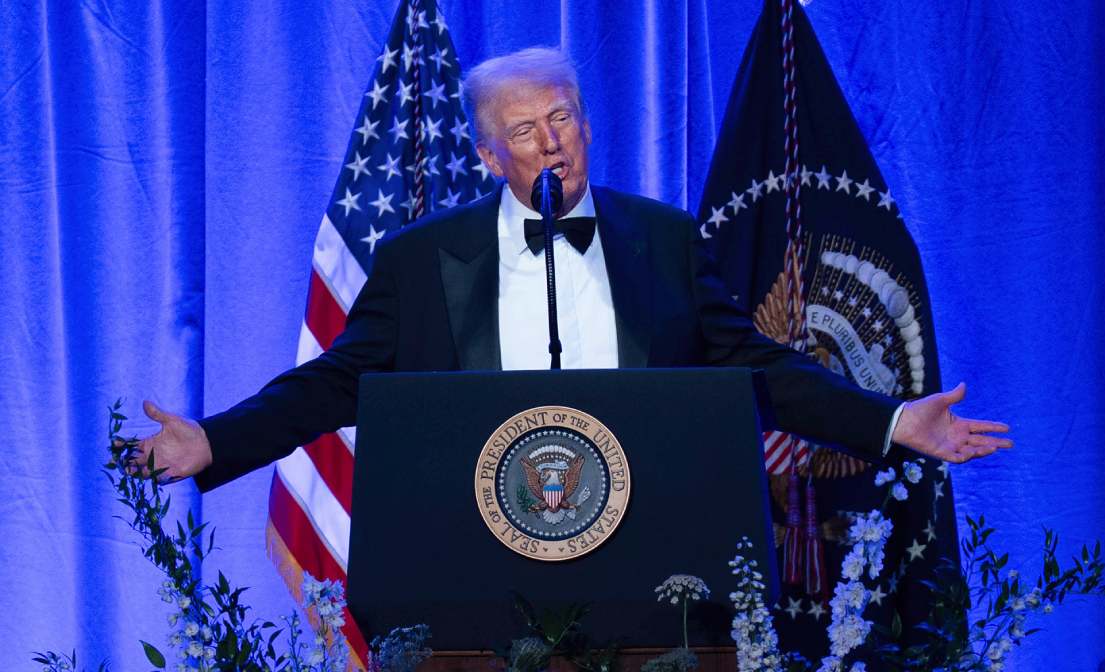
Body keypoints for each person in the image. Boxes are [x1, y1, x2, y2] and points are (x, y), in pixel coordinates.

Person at [129, 48, 1010, 489]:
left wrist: (890, 423)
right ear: (485, 155)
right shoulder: (424, 261)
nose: (551, 143)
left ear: (588, 124)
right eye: (524, 130)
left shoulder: (663, 239)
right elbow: (332, 384)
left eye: (564, 118)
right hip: (480, 565)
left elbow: (761, 366)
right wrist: (215, 442)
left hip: (654, 558)